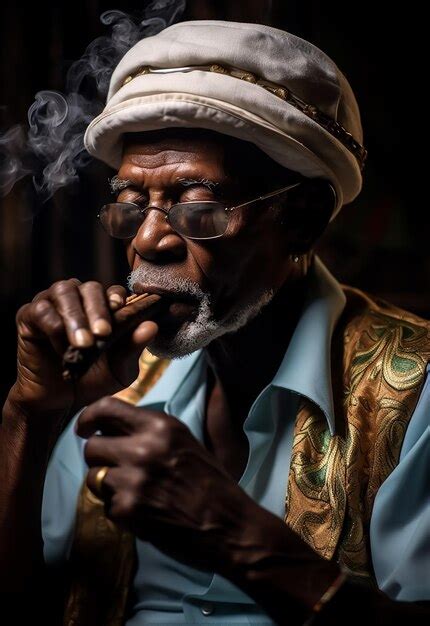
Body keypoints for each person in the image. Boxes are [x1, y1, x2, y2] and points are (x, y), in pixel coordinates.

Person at [1, 19, 429, 626]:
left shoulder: (417, 392)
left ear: (302, 220)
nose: (148, 240)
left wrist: (234, 533)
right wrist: (30, 414)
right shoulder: (109, 376)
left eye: (197, 207)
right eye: (130, 205)